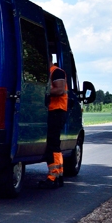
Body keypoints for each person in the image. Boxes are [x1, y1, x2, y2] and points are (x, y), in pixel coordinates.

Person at [40, 61, 68, 189]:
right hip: (54, 111)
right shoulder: (50, 72)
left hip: (57, 111)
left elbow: (60, 89)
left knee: (53, 144)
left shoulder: (56, 71)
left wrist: (42, 92)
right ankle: (58, 175)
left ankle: (53, 176)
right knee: (54, 144)